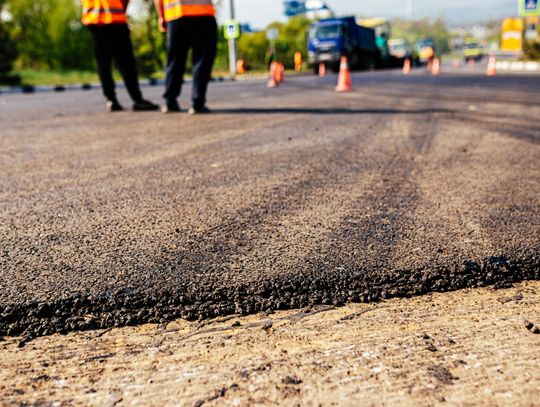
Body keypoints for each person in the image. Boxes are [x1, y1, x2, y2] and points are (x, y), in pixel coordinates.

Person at [82, 0, 158, 112]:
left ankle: (111, 100)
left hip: (95, 19)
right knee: (126, 63)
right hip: (115, 19)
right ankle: (137, 99)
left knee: (104, 63)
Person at [154, 0, 217, 114]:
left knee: (175, 60)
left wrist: (161, 16)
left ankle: (170, 102)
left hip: (176, 15)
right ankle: (197, 103)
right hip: (203, 14)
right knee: (202, 60)